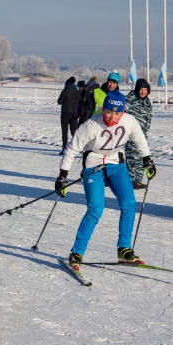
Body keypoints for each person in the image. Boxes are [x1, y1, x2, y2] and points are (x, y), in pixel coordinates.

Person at [55, 90, 157, 268]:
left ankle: (124, 249)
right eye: (109, 112)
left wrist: (147, 159)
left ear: (123, 112)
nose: (112, 117)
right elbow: (72, 150)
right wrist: (63, 176)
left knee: (129, 203)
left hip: (116, 164)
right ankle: (77, 252)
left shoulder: (129, 121)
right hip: (93, 165)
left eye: (117, 113)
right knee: (96, 208)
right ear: (103, 110)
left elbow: (140, 139)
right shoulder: (91, 125)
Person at [124, 78, 153, 189]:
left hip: (143, 134)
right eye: (141, 89)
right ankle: (130, 180)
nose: (143, 92)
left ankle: (138, 180)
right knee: (132, 157)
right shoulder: (130, 98)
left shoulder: (147, 101)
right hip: (131, 134)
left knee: (141, 157)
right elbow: (123, 113)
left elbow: (148, 116)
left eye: (145, 90)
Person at [57, 76, 80, 154]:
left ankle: (64, 148)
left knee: (65, 132)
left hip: (65, 113)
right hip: (74, 113)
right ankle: (76, 148)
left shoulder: (65, 91)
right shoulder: (77, 92)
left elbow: (59, 101)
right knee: (74, 132)